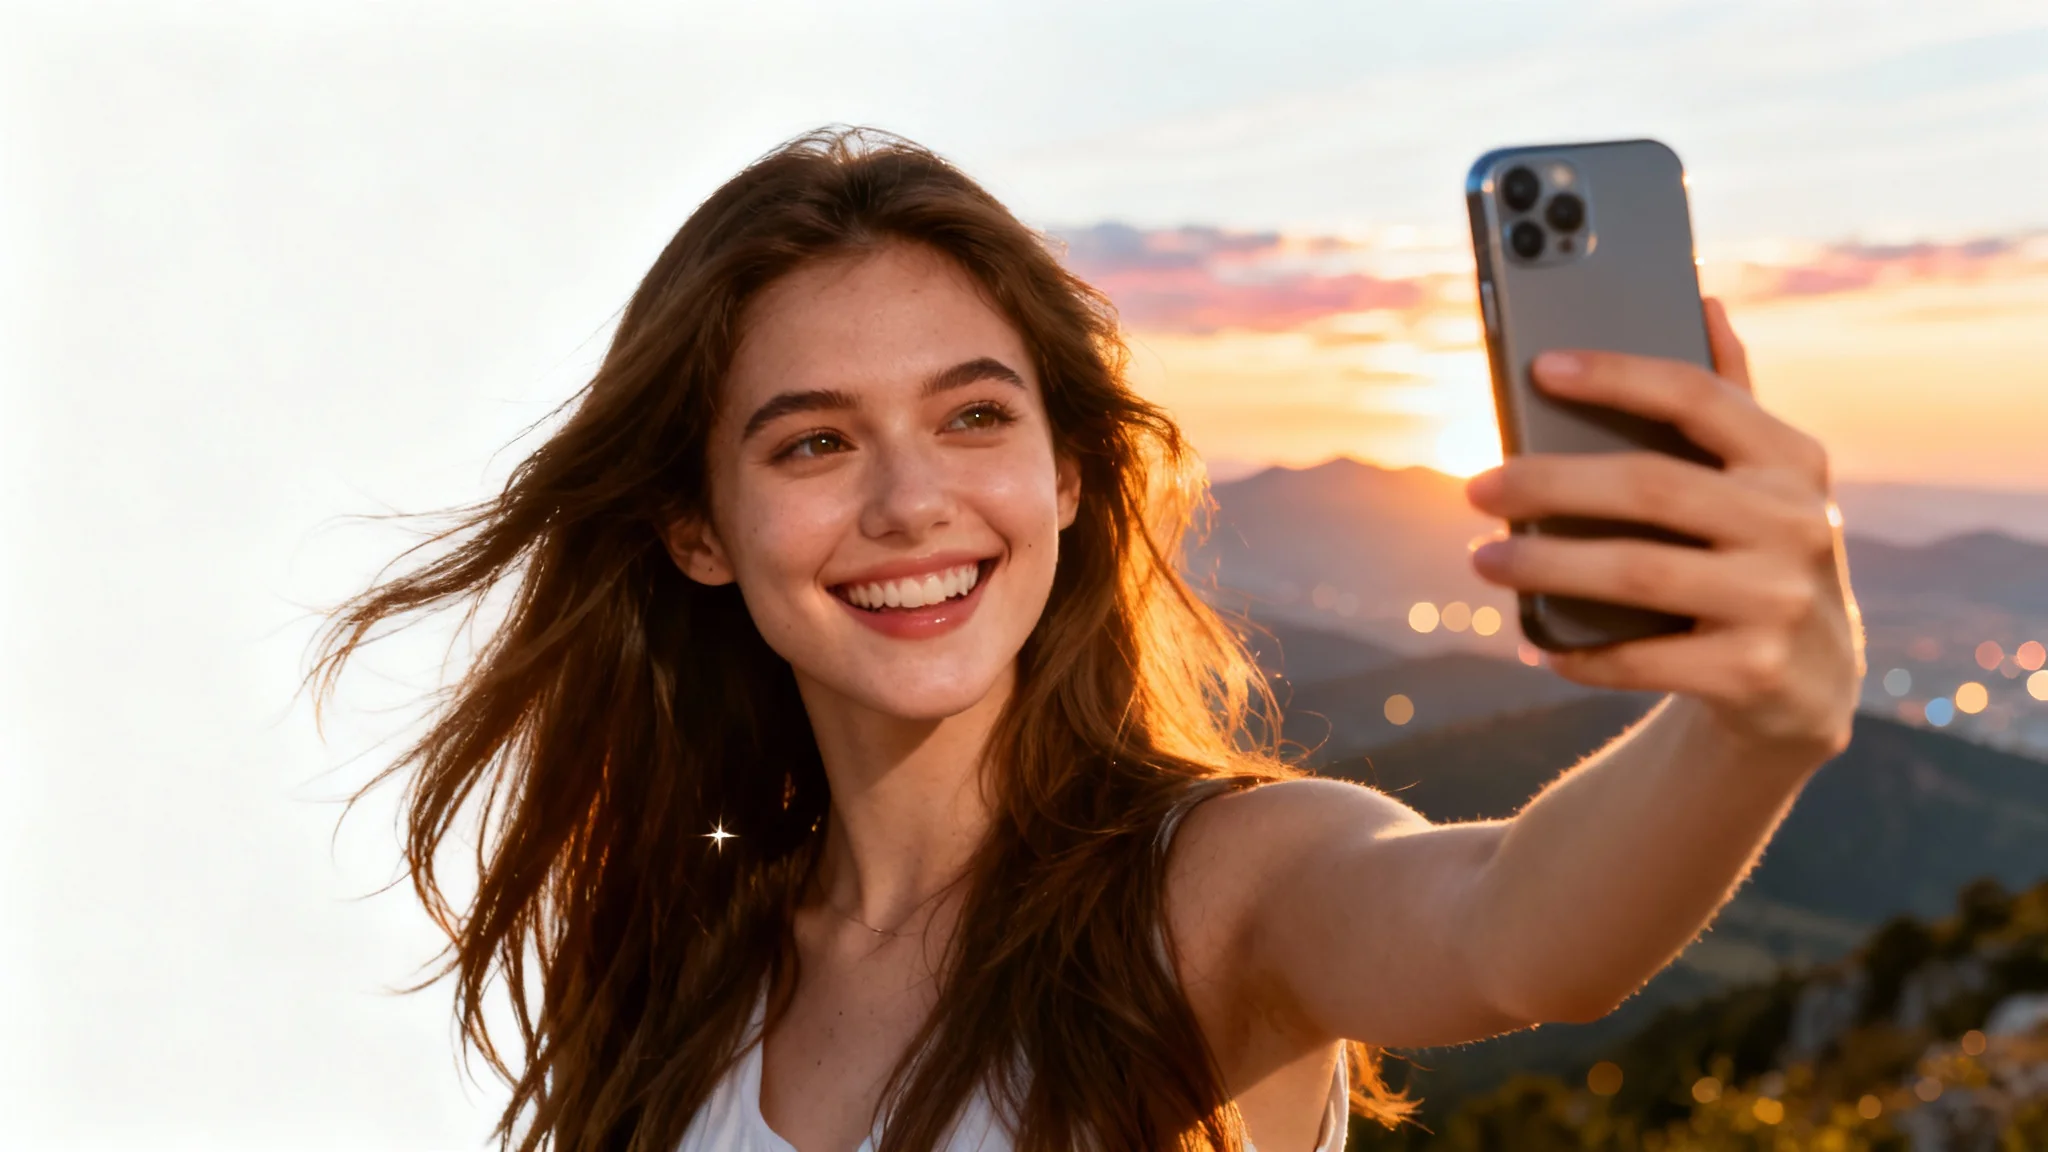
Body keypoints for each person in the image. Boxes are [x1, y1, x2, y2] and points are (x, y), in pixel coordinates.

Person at [309, 126, 1865, 1152]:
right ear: (696, 531)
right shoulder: (677, 963)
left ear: (1066, 471)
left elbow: (1514, 926)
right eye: (812, 444)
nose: (915, 501)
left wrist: (1755, 727)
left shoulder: (1215, 893)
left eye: (973, 415)